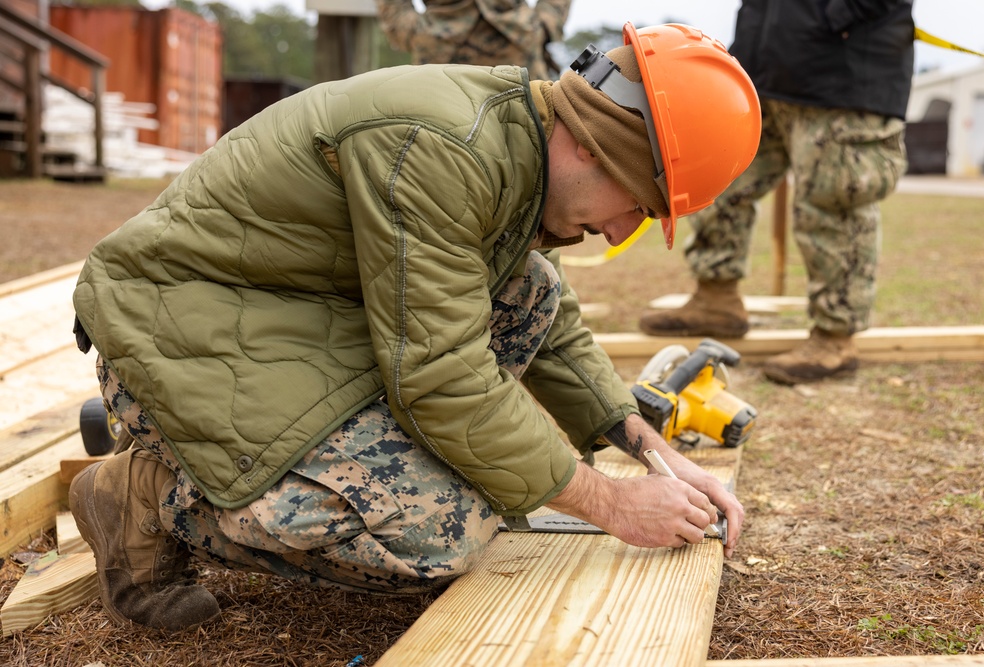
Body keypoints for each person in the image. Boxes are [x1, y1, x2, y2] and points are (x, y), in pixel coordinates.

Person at [68, 23, 761, 632]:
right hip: (174, 327)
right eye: (635, 206)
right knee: (437, 528)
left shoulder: (514, 142)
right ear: (593, 145)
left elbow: (547, 324)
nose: (617, 230)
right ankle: (148, 496)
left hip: (282, 312)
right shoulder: (444, 149)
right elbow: (443, 380)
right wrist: (608, 501)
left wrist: (646, 446)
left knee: (532, 291)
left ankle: (272, 460)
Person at [639, 0, 913, 385]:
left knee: (832, 201)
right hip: (764, 71)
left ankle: (835, 337)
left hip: (844, 71)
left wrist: (832, 17)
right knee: (719, 179)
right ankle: (716, 298)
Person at [374, 0, 572, 79]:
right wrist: (405, 29)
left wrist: (546, 23)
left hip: (518, 46)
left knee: (531, 150)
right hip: (437, 54)